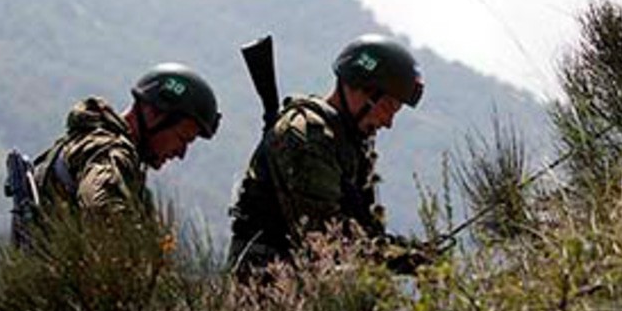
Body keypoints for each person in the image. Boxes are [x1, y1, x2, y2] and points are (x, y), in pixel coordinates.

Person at [228, 34, 429, 277]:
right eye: (387, 107)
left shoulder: (344, 142)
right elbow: (324, 237)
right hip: (268, 291)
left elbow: (358, 231)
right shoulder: (307, 138)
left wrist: (410, 251)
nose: (388, 122)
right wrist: (400, 259)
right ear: (357, 89)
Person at [31, 63, 220, 218]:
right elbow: (101, 208)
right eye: (182, 138)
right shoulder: (109, 152)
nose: (181, 153)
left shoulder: (100, 147)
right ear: (153, 115)